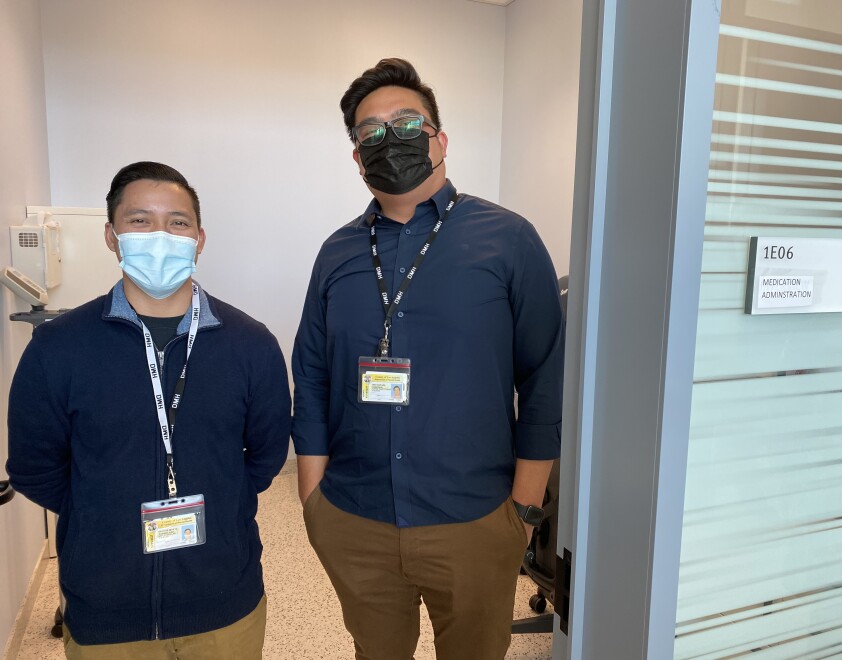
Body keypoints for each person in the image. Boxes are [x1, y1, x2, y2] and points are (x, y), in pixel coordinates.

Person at [292, 59, 564, 660]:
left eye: (407, 122)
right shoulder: (336, 253)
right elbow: (310, 374)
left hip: (473, 519)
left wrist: (522, 509)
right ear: (358, 158)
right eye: (371, 132)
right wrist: (314, 502)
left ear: (440, 138)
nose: (391, 138)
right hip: (354, 516)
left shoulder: (508, 239)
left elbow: (546, 377)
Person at [6, 161, 291, 659]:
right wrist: (102, 512)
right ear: (112, 237)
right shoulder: (59, 347)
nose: (160, 234)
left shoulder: (251, 345)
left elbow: (265, 458)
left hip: (225, 603)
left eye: (177, 222)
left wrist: (220, 503)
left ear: (199, 239)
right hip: (106, 611)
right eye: (139, 220)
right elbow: (34, 468)